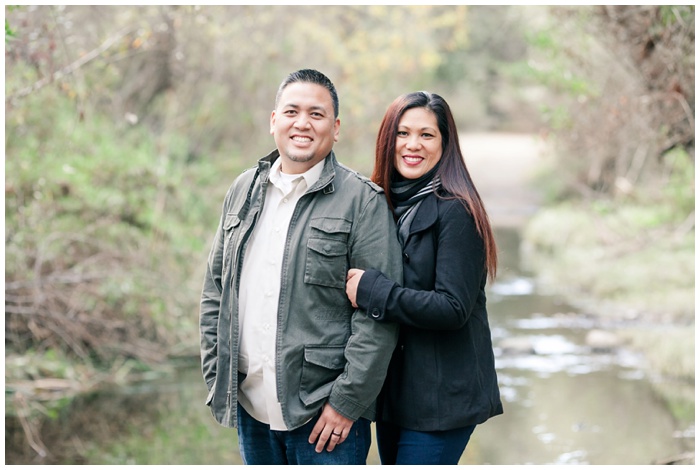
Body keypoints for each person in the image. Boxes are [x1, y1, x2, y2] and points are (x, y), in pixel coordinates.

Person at [199, 69, 403, 465]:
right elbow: (216, 290)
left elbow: (378, 317)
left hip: (324, 419)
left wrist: (346, 402)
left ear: (336, 127)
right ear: (274, 120)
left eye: (316, 113)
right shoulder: (243, 189)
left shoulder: (362, 202)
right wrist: (216, 373)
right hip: (250, 410)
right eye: (292, 111)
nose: (302, 123)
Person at [345, 91, 503, 465]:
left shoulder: (456, 210)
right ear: (388, 140)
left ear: (445, 144)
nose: (412, 145)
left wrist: (373, 291)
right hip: (394, 394)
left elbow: (453, 307)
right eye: (402, 133)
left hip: (442, 399)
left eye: (427, 135)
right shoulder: (380, 203)